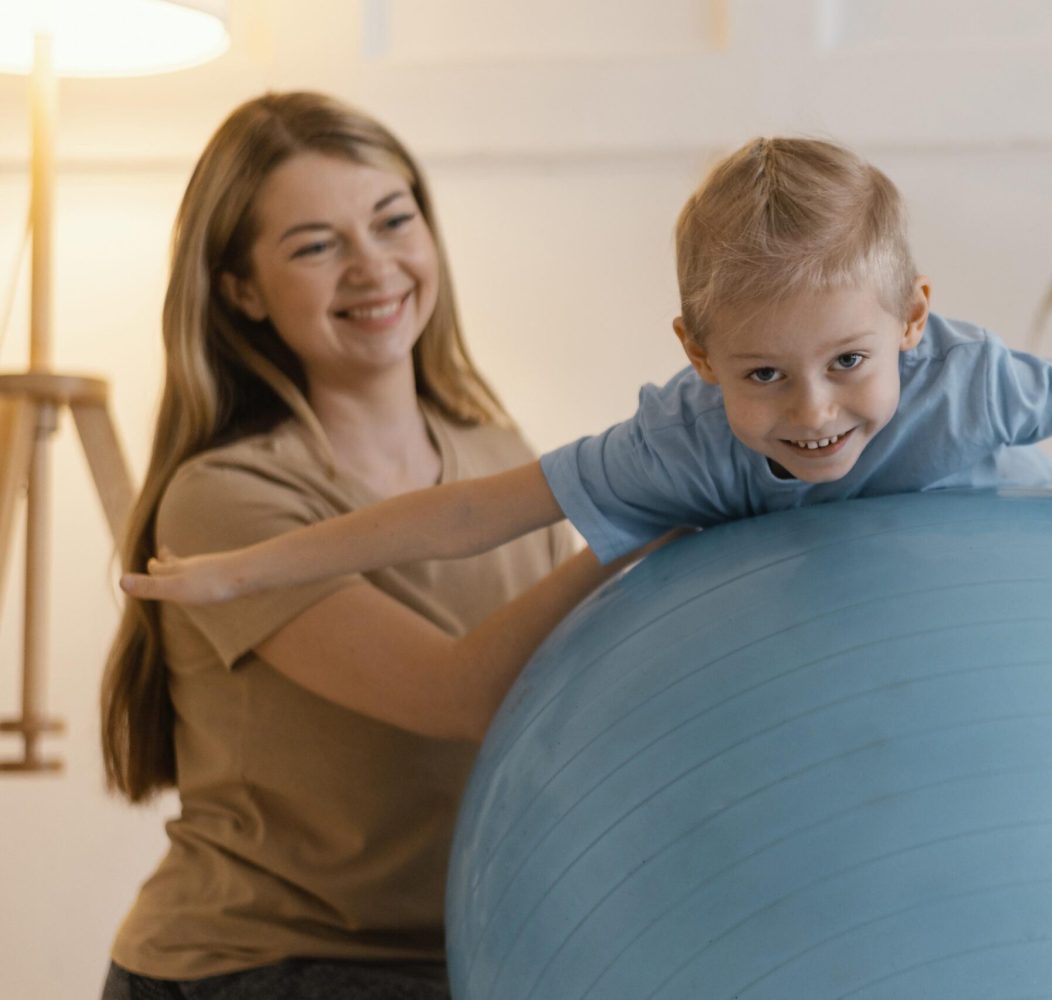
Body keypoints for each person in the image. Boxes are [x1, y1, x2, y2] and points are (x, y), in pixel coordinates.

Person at [120, 135, 1052, 605]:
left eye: (846, 360)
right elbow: (483, 512)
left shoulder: (978, 387)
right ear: (695, 358)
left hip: (1005, 626)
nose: (814, 410)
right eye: (763, 375)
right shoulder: (691, 443)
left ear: (914, 323)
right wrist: (250, 566)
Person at [99, 92, 669, 999]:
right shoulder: (224, 498)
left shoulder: (496, 455)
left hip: (467, 946)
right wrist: (656, 505)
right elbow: (462, 694)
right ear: (242, 289)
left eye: (392, 220)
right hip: (271, 963)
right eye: (316, 246)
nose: (373, 268)